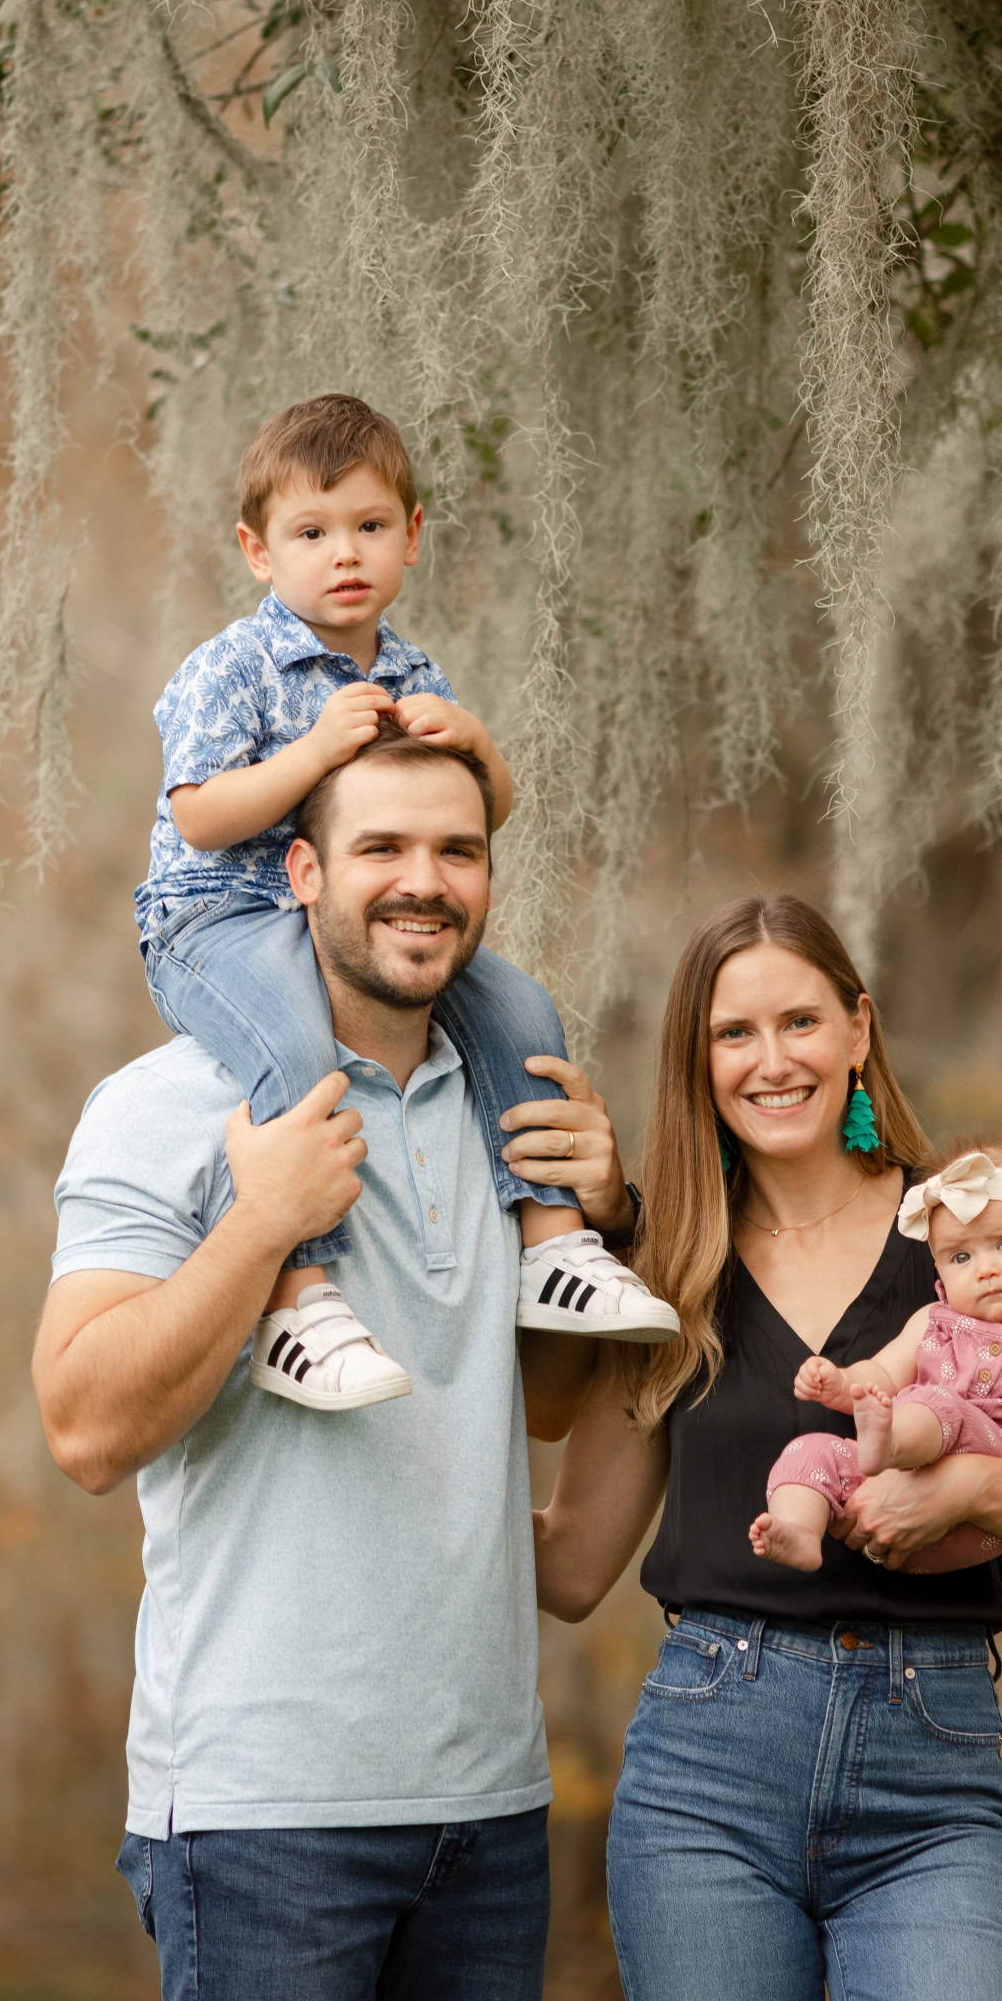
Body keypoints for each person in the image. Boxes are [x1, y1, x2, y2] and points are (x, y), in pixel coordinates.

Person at [33, 724, 641, 2001]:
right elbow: (83, 1424)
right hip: (262, 1811)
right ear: (300, 873)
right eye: (381, 848)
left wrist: (609, 1221)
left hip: (485, 1810)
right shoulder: (173, 1104)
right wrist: (260, 1222)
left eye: (456, 851)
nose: (423, 882)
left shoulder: (514, 1108)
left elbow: (542, 1405)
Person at [534, 894, 1002, 2001]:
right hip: (706, 1775)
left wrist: (961, 1491)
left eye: (801, 1021)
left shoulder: (963, 1236)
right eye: (734, 1033)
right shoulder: (670, 1264)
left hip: (928, 1777)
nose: (771, 1061)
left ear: (858, 1029)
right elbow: (573, 1563)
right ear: (698, 1060)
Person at [133, 390, 674, 1409]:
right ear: (258, 551)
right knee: (296, 1045)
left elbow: (484, 810)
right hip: (218, 920)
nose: (345, 553)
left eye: (371, 526)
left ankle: (553, 1246)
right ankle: (299, 1302)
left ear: (411, 537)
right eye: (311, 532)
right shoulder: (233, 667)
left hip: (353, 922)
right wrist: (313, 753)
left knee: (520, 1010)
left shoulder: (415, 670)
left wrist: (476, 746)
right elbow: (199, 816)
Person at [751, 1136, 1002, 1575]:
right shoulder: (934, 1321)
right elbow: (882, 1374)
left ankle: (889, 1442)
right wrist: (841, 1383)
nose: (986, 1269)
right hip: (892, 1500)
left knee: (938, 1403)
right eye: (961, 1256)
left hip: (982, 1505)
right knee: (812, 1451)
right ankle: (798, 1528)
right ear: (940, 1270)